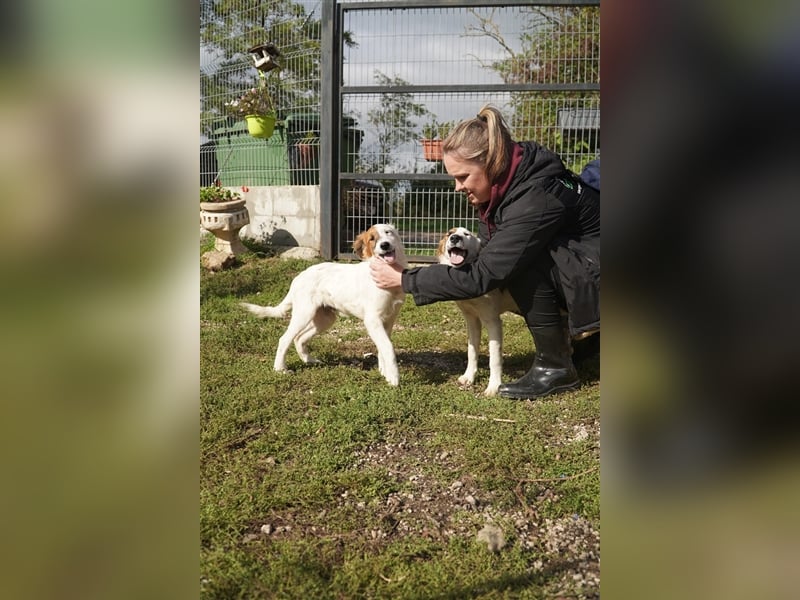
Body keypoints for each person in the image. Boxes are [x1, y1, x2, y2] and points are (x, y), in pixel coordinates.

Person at [370, 105, 599, 400]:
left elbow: (487, 273)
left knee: (521, 264)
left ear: (491, 163)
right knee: (515, 259)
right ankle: (579, 342)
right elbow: (490, 256)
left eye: (463, 176)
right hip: (590, 264)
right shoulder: (511, 183)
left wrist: (407, 279)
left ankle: (555, 367)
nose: (457, 187)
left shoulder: (533, 198)